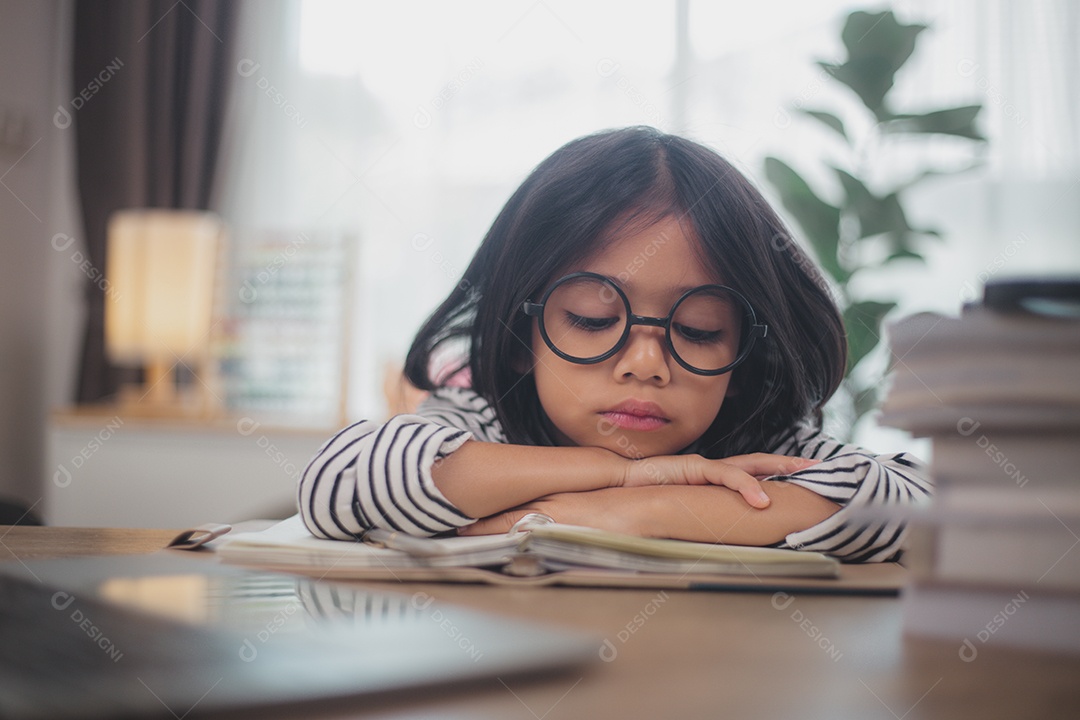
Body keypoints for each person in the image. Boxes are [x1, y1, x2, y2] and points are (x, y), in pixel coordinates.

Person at [299, 126, 930, 562]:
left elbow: (928, 511)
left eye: (700, 330)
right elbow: (339, 481)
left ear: (740, 359)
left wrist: (636, 513)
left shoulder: (757, 449)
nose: (647, 364)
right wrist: (625, 473)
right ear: (523, 338)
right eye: (594, 321)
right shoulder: (482, 424)